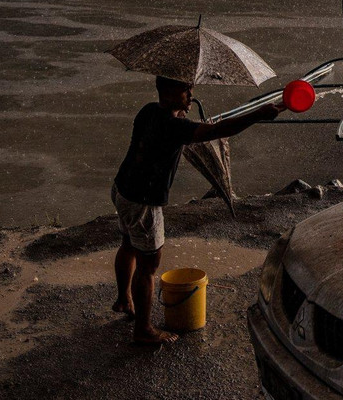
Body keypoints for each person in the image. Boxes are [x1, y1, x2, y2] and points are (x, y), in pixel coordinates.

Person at [111, 75, 283, 344]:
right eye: (184, 90)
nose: (191, 94)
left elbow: (177, 128)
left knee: (128, 244)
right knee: (148, 264)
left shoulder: (149, 111)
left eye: (191, 88)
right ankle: (143, 330)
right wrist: (256, 114)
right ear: (166, 92)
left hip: (122, 189)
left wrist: (182, 111)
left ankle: (124, 299)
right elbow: (215, 132)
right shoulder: (173, 126)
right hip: (143, 201)